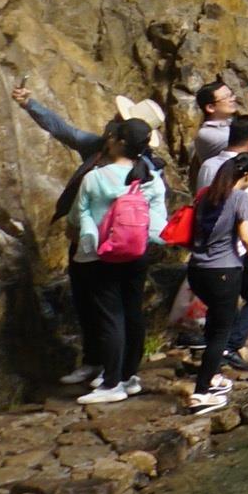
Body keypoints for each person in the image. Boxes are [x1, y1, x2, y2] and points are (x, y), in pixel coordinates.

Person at [61, 117, 171, 404]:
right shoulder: (152, 180)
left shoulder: (96, 178)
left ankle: (112, 384)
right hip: (137, 253)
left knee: (110, 317)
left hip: (102, 255)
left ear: (118, 142)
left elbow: (75, 217)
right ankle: (128, 376)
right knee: (132, 311)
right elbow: (160, 221)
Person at [186, 114, 248, 412]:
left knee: (214, 322)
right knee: (220, 334)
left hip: (197, 270)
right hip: (223, 271)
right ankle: (201, 393)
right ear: (247, 176)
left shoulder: (204, 196)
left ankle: (212, 377)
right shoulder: (238, 199)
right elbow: (247, 237)